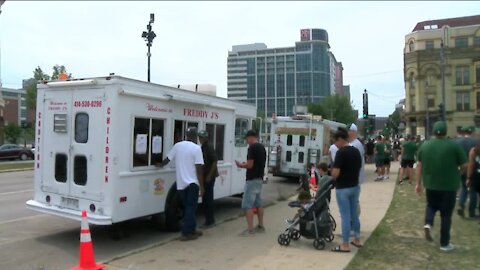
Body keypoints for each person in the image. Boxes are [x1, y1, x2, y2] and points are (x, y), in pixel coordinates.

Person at [416, 121, 468, 252]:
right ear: (446, 131)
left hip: (431, 185)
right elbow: (464, 165)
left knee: (431, 206)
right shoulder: (454, 146)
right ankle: (444, 244)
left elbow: (419, 166)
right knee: (446, 215)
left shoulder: (425, 146)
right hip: (449, 186)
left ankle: (428, 223)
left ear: (433, 131)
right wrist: (459, 173)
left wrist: (418, 183)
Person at [156, 127, 205, 241]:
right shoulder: (197, 148)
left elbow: (167, 159)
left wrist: (159, 165)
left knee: (188, 207)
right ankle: (186, 233)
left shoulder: (178, 146)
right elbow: (199, 168)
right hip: (192, 183)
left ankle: (192, 229)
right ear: (195, 136)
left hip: (181, 184)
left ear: (186, 135)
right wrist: (202, 187)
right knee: (191, 208)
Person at [330, 127, 362, 253]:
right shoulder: (355, 151)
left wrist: (331, 172)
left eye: (335, 142)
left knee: (345, 216)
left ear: (340, 139)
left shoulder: (341, 153)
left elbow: (336, 173)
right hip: (355, 186)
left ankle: (345, 244)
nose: (335, 145)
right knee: (354, 215)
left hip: (343, 188)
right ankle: (357, 240)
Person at [235, 129, 267, 236]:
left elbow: (250, 165)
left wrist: (241, 165)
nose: (246, 141)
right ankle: (261, 225)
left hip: (252, 179)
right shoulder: (262, 147)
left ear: (250, 137)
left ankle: (250, 230)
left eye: (247, 138)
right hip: (259, 178)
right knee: (258, 203)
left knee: (247, 205)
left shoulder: (252, 148)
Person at [455, 126, 480, 218]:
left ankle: (461, 204)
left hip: (462, 167)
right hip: (474, 168)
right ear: (472, 132)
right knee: (473, 190)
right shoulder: (476, 141)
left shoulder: (457, 142)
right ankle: (472, 211)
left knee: (464, 187)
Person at [197, 130, 219, 228]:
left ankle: (210, 221)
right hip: (205, 176)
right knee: (205, 198)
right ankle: (208, 220)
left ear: (206, 137)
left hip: (209, 177)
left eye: (201, 137)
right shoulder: (202, 147)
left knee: (208, 199)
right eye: (199, 137)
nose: (200, 139)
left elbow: (215, 161)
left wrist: (209, 175)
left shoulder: (209, 146)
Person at [347, 123, 365, 216]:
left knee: (353, 201)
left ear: (353, 132)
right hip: (356, 177)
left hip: (354, 178)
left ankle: (353, 221)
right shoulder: (356, 144)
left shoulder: (355, 145)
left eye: (348, 131)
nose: (347, 133)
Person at [466, 141, 480, 218]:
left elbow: (471, 165)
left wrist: (468, 177)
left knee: (473, 193)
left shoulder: (473, 151)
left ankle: (472, 212)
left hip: (475, 175)